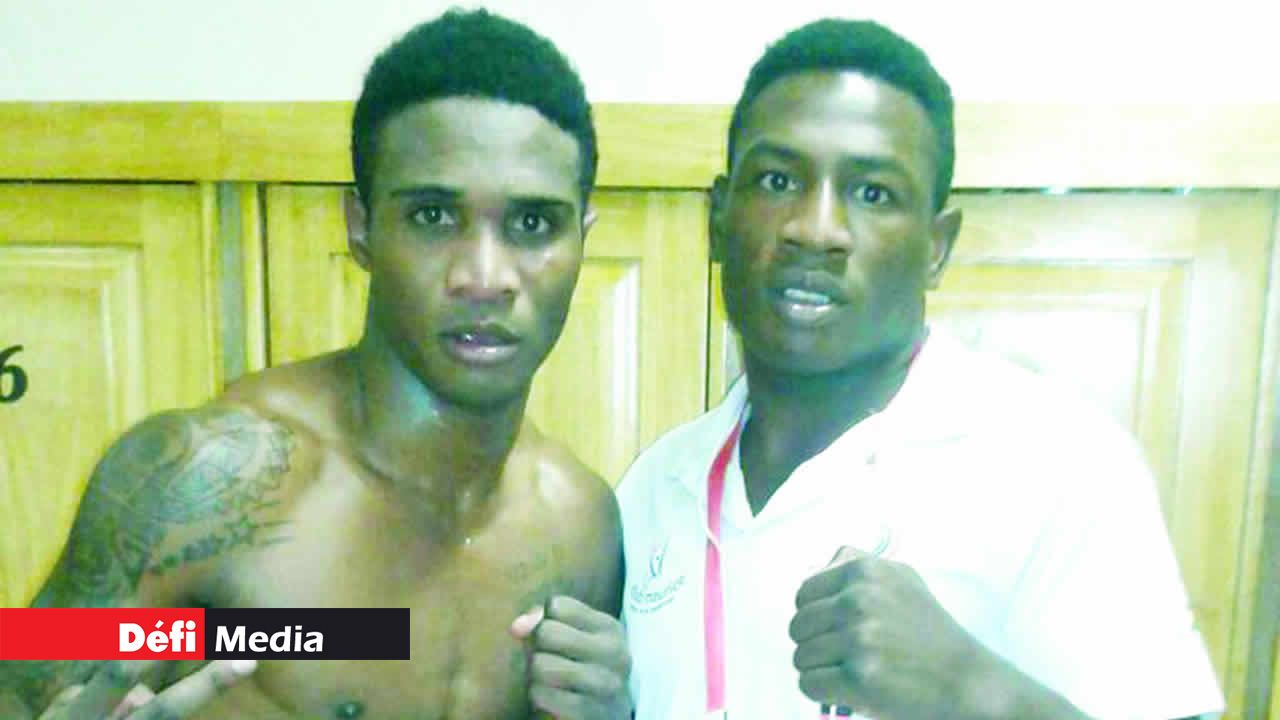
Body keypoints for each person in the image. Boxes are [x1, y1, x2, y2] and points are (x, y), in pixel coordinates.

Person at [0, 9, 632, 720]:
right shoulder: (201, 485)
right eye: (432, 216)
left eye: (533, 224)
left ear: (582, 240)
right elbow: (25, 692)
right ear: (361, 227)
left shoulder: (581, 528)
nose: (485, 277)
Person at [616, 18, 1224, 720]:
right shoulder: (655, 487)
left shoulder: (1062, 465)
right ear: (719, 219)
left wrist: (969, 689)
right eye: (778, 180)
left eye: (873, 193)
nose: (815, 229)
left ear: (937, 246)